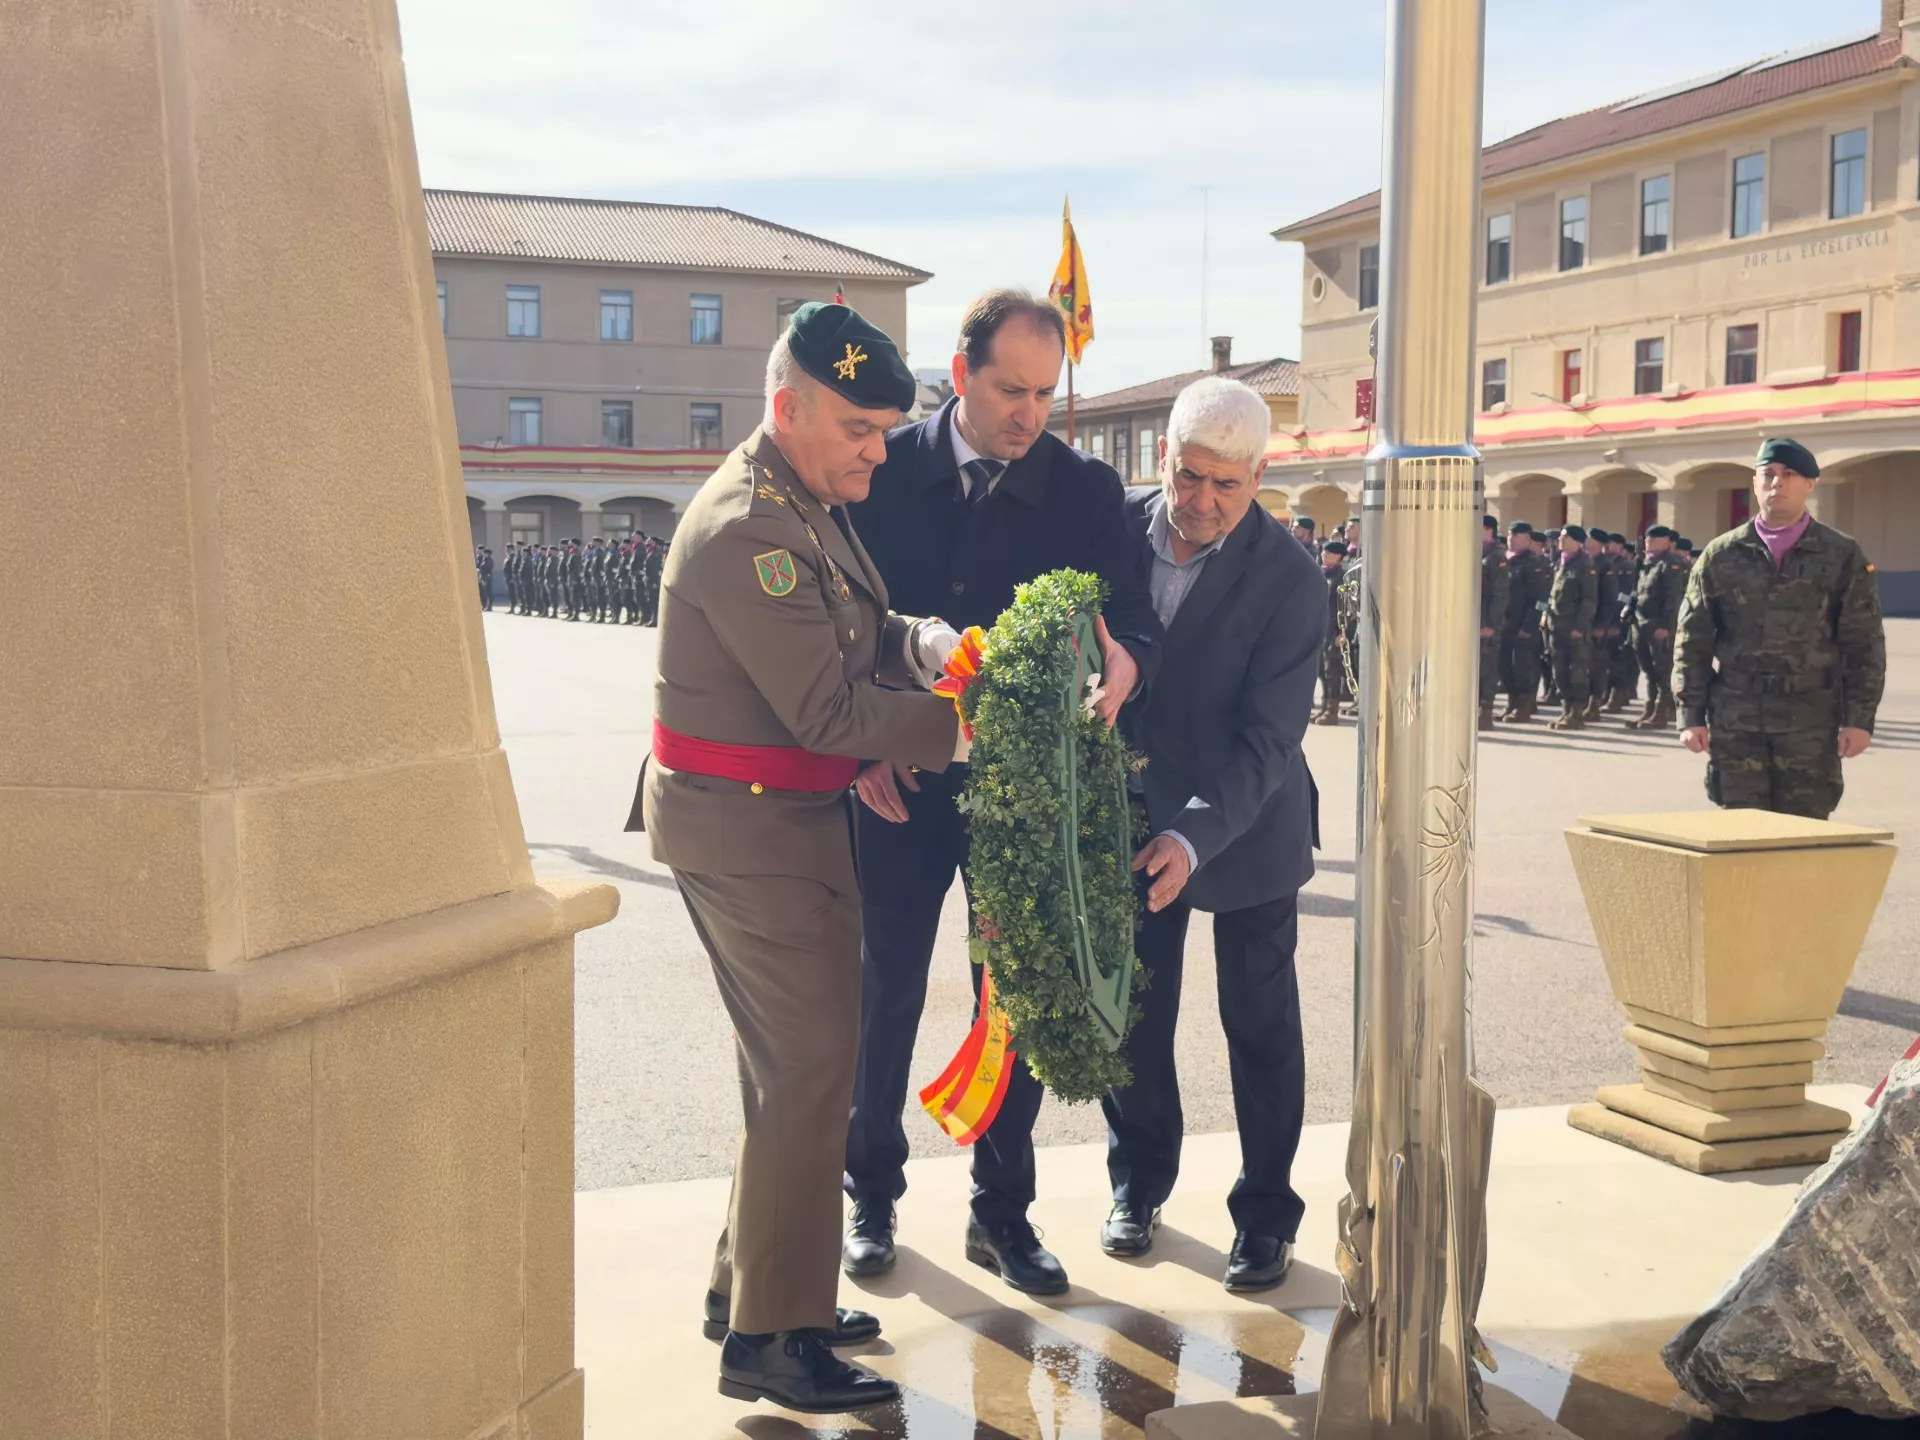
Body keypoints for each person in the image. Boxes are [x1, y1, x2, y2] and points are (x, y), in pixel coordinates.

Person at [625, 302, 967, 1414]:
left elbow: (852, 634)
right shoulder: (750, 528)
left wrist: (918, 643)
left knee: (789, 1072)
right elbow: (826, 709)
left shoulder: (798, 497)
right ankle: (775, 1342)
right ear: (789, 407)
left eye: (885, 430)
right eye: (859, 429)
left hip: (772, 819)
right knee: (812, 1069)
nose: (878, 452)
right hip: (751, 831)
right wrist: (971, 725)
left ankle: (754, 1292)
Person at [843, 287, 1163, 1296]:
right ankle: (870, 1196)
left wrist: (1129, 663)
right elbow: (836, 629)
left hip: (1024, 797)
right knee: (884, 987)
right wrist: (861, 750)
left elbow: (1133, 621)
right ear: (960, 372)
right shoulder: (883, 470)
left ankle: (1002, 1214)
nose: (1029, 414)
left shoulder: (1084, 491)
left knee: (1013, 997)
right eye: (1008, 390)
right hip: (898, 781)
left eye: (1044, 393)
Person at [1100, 376, 1323, 1294]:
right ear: (1165, 458)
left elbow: (1271, 740)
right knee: (1136, 1017)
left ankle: (1265, 1215)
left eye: (1227, 485)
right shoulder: (1113, 530)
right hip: (1130, 814)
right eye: (1189, 476)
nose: (1202, 501)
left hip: (1246, 824)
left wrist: (1193, 837)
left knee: (1259, 1025)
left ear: (1259, 477)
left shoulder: (1291, 579)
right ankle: (1138, 1184)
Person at [1674, 438, 1884, 819]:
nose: (1777, 483)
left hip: (1809, 721)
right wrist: (1690, 714)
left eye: (1789, 475)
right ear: (1754, 483)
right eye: (1768, 474)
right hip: (1737, 720)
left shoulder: (1841, 555)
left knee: (1803, 828)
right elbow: (1693, 641)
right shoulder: (1720, 556)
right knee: (1742, 830)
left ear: (1810, 484)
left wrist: (1859, 719)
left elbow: (1863, 644)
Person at [1625, 526, 1682, 730]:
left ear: (1665, 541)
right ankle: (1649, 709)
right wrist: (1629, 608)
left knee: (1662, 671)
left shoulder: (1670, 565)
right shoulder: (1647, 563)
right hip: (1641, 624)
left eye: (1654, 538)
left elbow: (1673, 599)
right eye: (1647, 538)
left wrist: (1666, 626)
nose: (1648, 541)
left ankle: (1661, 712)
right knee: (1648, 671)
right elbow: (1638, 592)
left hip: (1659, 626)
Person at [1545, 524, 1597, 731]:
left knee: (1576, 671)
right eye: (1560, 537)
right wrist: (1545, 615)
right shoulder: (1561, 563)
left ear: (1577, 541)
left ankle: (1576, 713)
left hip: (1573, 628)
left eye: (1565, 537)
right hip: (1556, 626)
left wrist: (1580, 627)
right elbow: (1552, 594)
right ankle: (1566, 710)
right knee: (1559, 671)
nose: (1560, 540)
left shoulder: (1585, 565)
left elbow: (1589, 600)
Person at [1500, 522, 1551, 723]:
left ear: (1528, 539)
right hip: (1505, 624)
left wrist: (1529, 625)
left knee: (1523, 668)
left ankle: (1524, 706)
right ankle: (1512, 702)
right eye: (1510, 535)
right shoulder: (1506, 561)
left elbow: (1541, 599)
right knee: (1505, 667)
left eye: (1516, 536)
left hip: (1523, 625)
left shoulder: (1533, 564)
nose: (1511, 539)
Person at [1313, 539, 1350, 725]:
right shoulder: (1321, 574)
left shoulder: (1342, 577)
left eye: (1328, 553)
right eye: (1323, 552)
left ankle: (1332, 711)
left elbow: (1347, 608)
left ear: (1338, 556)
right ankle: (1324, 707)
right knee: (1321, 670)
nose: (1323, 555)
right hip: (1321, 629)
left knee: (1332, 672)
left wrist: (1342, 633)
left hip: (1334, 630)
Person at [1479, 514, 1509, 731]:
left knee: (1487, 668)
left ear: (1487, 530)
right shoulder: (1475, 553)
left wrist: (1490, 624)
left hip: (1487, 624)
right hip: (1473, 621)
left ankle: (1486, 712)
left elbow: (1500, 595)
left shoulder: (1495, 557)